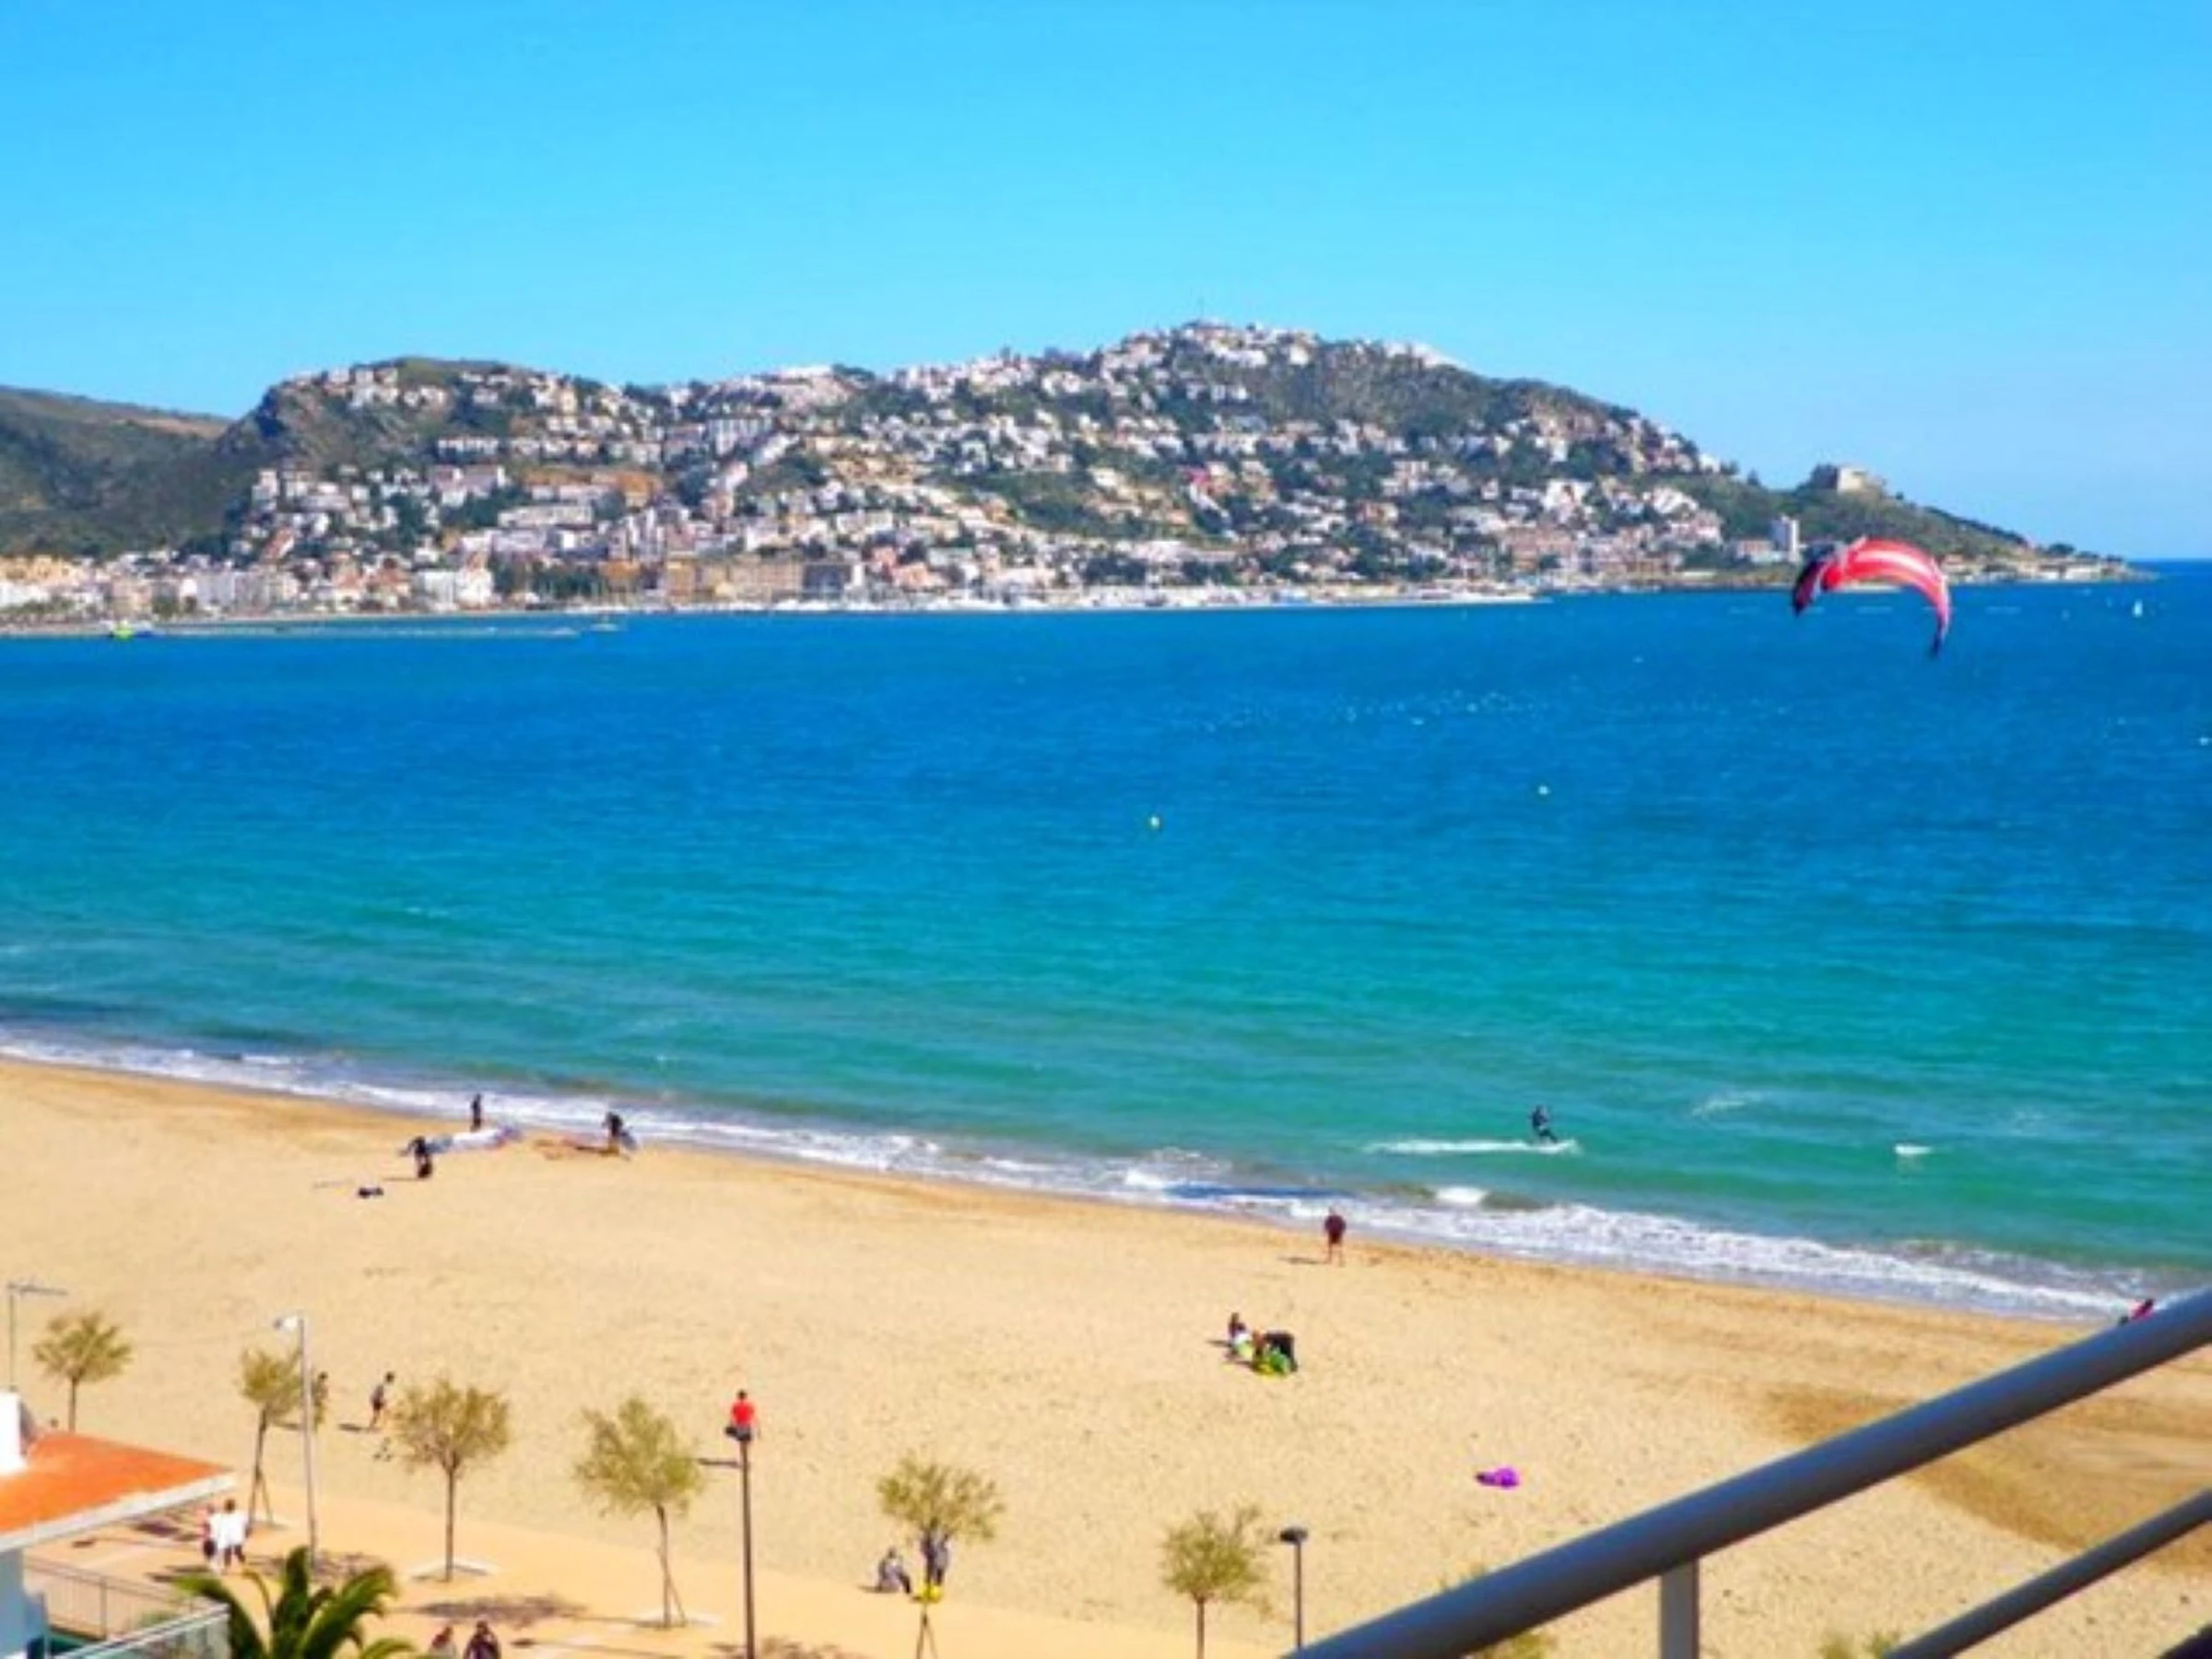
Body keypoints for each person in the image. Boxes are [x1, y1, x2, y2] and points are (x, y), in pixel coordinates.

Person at [921, 1528, 950, 1592]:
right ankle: (929, 1591)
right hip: (935, 1562)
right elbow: (924, 1549)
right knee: (931, 1577)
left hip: (939, 1563)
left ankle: (935, 1592)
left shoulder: (944, 1545)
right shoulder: (934, 1542)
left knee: (937, 1578)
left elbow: (946, 1555)